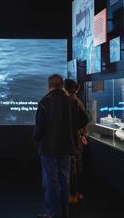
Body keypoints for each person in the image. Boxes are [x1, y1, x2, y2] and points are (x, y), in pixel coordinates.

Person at [34, 74, 88, 218]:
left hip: (48, 149)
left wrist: (38, 141)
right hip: (66, 148)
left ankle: (54, 214)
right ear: (62, 85)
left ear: (49, 86)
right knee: (65, 181)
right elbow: (84, 120)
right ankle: (64, 214)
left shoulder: (44, 102)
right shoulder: (72, 102)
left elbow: (38, 129)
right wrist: (71, 130)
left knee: (51, 183)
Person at [64, 79, 88, 205]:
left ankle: (73, 195)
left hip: (72, 139)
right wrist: (83, 134)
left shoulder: (71, 102)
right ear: (76, 89)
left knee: (73, 168)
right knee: (78, 166)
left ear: (65, 89)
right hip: (78, 138)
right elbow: (85, 120)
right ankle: (79, 193)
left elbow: (83, 120)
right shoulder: (79, 102)